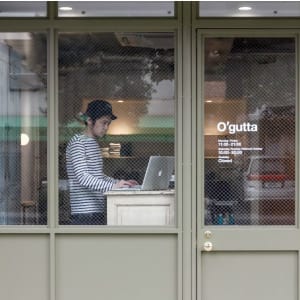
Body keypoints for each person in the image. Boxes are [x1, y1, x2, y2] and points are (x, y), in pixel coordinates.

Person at [66, 99, 138, 225]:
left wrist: (120, 183)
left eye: (108, 124)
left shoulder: (92, 143)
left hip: (95, 211)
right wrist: (113, 186)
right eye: (103, 123)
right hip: (84, 214)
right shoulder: (78, 143)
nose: (106, 127)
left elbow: (97, 175)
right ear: (89, 120)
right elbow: (83, 177)